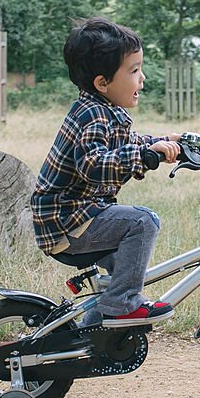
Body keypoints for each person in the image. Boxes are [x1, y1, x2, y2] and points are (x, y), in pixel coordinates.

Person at [31, 17, 181, 328]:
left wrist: (162, 142)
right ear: (103, 82)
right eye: (134, 70)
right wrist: (145, 155)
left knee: (122, 271)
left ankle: (91, 333)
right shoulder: (92, 115)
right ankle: (122, 305)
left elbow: (130, 142)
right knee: (143, 221)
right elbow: (93, 164)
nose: (142, 78)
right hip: (67, 222)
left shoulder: (105, 110)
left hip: (80, 216)